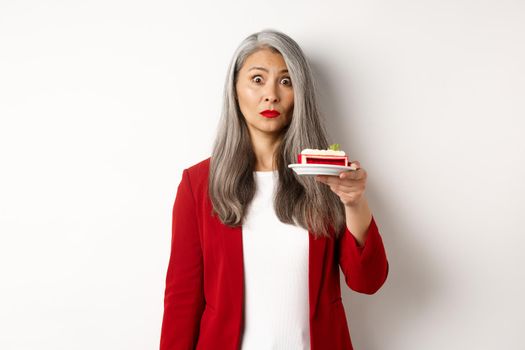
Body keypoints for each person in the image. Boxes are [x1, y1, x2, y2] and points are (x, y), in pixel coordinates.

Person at [160, 29, 389, 350]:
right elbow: (182, 300)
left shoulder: (328, 176)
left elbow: (368, 281)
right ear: (235, 89)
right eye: (257, 79)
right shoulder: (198, 184)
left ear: (300, 93)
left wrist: (354, 202)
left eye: (286, 81)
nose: (271, 95)